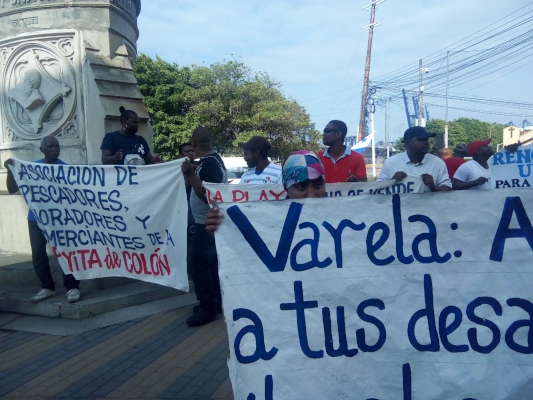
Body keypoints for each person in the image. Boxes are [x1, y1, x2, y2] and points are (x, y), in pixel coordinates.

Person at [4, 136, 81, 303]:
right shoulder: (32, 168)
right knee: (39, 255)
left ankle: (72, 287)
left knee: (66, 252)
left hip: (60, 220)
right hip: (36, 219)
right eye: (50, 147)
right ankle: (47, 287)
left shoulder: (65, 170)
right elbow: (11, 189)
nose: (54, 149)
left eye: (57, 146)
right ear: (42, 150)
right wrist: (10, 170)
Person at [205, 150, 326, 235]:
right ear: (286, 188)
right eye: (301, 186)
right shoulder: (269, 218)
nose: (311, 195)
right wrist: (223, 229)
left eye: (318, 185)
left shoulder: (340, 215)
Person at [181, 127, 227, 327]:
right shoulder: (211, 162)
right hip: (205, 221)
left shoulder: (210, 166)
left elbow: (209, 197)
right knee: (208, 265)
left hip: (206, 223)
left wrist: (191, 174)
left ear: (193, 144)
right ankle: (214, 303)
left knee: (198, 264)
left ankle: (208, 307)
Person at [377, 126, 452, 192]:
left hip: (428, 207)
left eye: (426, 139)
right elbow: (377, 189)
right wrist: (392, 181)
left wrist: (434, 187)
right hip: (399, 207)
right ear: (408, 144)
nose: (426, 143)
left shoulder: (438, 163)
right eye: (421, 140)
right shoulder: (391, 162)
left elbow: (448, 188)